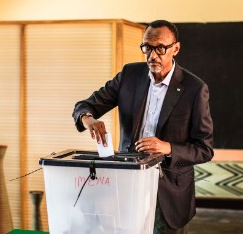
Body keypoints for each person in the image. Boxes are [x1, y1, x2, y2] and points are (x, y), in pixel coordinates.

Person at [72, 20, 213, 233]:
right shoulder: (130, 76)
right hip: (127, 186)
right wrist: (89, 119)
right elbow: (84, 106)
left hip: (169, 191)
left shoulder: (195, 89)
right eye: (147, 47)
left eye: (160, 48)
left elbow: (205, 149)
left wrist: (167, 148)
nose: (152, 55)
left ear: (176, 48)